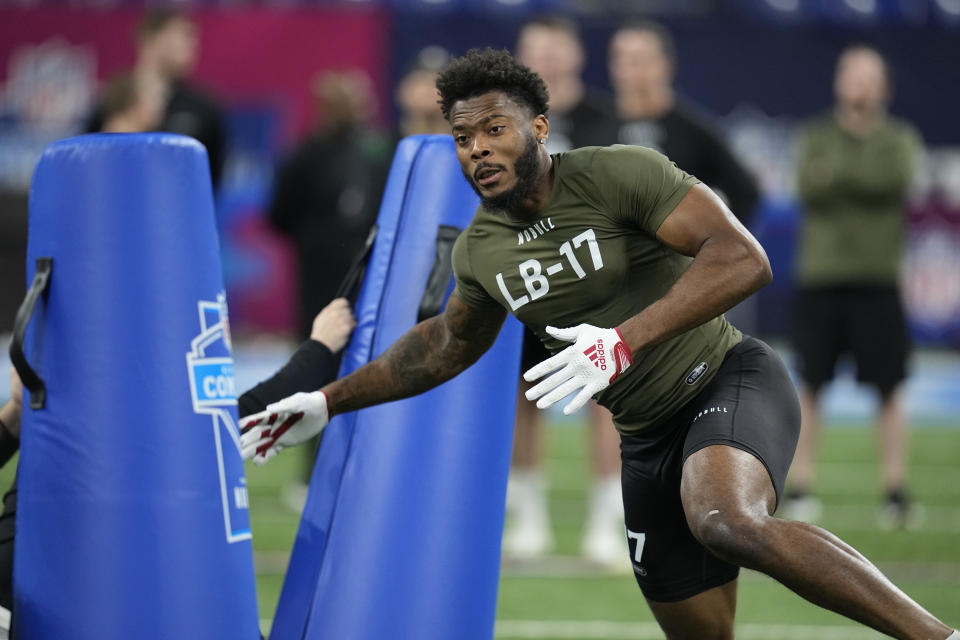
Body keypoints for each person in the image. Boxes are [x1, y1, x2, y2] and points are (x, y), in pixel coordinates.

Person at [239, 48, 957, 640]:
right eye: (462, 137)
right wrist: (327, 400)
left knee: (726, 519)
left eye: (494, 128)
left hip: (723, 379)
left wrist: (623, 340)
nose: (478, 149)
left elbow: (743, 259)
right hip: (643, 438)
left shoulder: (618, 173)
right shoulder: (482, 251)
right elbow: (443, 348)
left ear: (540, 126)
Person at [0, 298, 354, 640]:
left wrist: (16, 414)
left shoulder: (72, 418)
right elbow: (240, 417)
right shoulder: (132, 429)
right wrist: (320, 347)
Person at [786, 44, 924, 528]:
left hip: (877, 279)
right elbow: (808, 185)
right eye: (853, 74)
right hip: (822, 277)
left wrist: (840, 177)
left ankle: (895, 488)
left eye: (870, 76)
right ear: (839, 82)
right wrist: (854, 180)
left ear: (884, 86)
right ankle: (800, 483)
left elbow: (894, 179)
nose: (861, 85)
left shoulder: (898, 139)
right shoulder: (816, 135)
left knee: (890, 387)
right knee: (810, 384)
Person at [508, 14, 624, 566]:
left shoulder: (608, 117)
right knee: (525, 398)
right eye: (537, 50)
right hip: (528, 279)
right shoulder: (507, 119)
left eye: (556, 51)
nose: (547, 61)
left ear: (576, 55)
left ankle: (608, 521)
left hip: (594, 282)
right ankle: (527, 517)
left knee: (602, 397)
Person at [608, 21, 759, 226]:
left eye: (640, 60)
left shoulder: (695, 132)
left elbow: (744, 192)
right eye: (622, 60)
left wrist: (714, 242)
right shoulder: (597, 129)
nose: (631, 71)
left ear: (666, 64)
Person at [87, 9, 227, 189]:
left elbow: (213, 178)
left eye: (193, 37)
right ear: (149, 39)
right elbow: (88, 159)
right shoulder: (113, 98)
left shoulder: (204, 106)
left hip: (181, 211)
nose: (192, 44)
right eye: (182, 35)